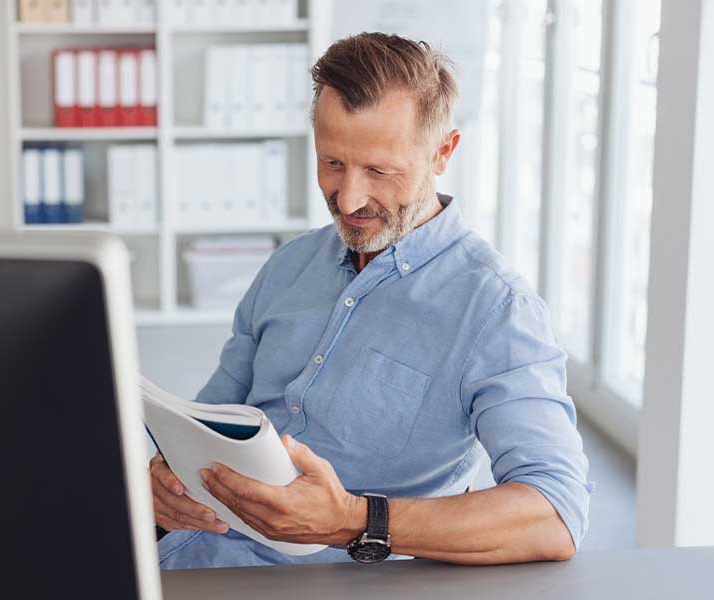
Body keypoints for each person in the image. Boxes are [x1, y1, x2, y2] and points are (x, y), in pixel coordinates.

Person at [151, 32, 591, 569]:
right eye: (332, 164)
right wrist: (166, 472)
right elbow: (210, 418)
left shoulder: (495, 308)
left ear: (443, 152)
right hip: (181, 556)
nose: (350, 198)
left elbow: (556, 513)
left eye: (380, 171)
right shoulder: (288, 267)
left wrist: (354, 521)